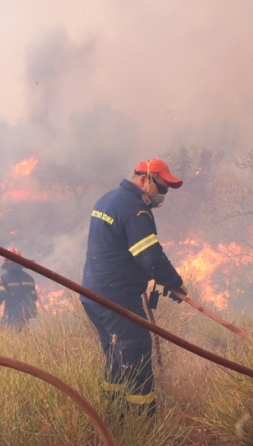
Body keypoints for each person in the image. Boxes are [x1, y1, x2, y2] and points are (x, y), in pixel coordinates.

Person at [80, 158, 188, 418]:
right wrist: (175, 283)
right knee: (137, 353)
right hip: (116, 298)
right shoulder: (135, 209)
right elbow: (150, 255)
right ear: (143, 180)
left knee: (117, 356)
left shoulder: (107, 200)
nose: (163, 195)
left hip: (93, 295)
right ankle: (143, 423)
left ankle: (113, 417)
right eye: (161, 188)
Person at [0, 248, 38, 331]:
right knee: (23, 335)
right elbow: (34, 297)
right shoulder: (29, 278)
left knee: (5, 335)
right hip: (25, 314)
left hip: (11, 313)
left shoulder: (5, 278)